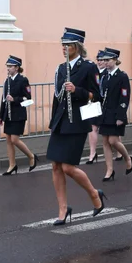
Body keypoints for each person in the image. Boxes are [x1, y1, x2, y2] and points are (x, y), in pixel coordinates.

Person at [48, 28, 106, 224]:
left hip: (77, 122)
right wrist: (52, 122)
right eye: (62, 44)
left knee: (67, 167)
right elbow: (57, 98)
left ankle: (94, 194)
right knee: (55, 165)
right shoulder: (61, 68)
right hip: (60, 121)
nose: (64, 48)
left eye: (68, 45)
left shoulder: (89, 67)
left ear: (77, 46)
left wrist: (78, 90)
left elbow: (97, 96)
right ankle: (63, 209)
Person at [97, 49, 132, 181]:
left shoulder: (122, 76)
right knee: (105, 142)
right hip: (105, 113)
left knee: (113, 141)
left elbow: (124, 97)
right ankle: (109, 170)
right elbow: (101, 95)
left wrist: (120, 116)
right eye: (104, 60)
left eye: (108, 60)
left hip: (116, 113)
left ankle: (128, 158)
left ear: (115, 60)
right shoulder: (104, 76)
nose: (105, 63)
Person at [0, 55, 37, 175]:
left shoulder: (23, 80)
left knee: (15, 139)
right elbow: (3, 99)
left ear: (17, 67)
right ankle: (12, 164)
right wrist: (0, 116)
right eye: (7, 66)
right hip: (8, 115)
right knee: (8, 140)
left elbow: (28, 98)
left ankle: (31, 156)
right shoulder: (7, 81)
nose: (8, 68)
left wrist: (15, 99)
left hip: (18, 114)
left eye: (10, 66)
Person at [85, 49, 106, 164]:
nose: (100, 62)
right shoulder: (93, 71)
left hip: (106, 104)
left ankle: (119, 151)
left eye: (102, 60)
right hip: (94, 102)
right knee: (92, 127)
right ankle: (92, 153)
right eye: (98, 60)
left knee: (110, 131)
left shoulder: (108, 73)